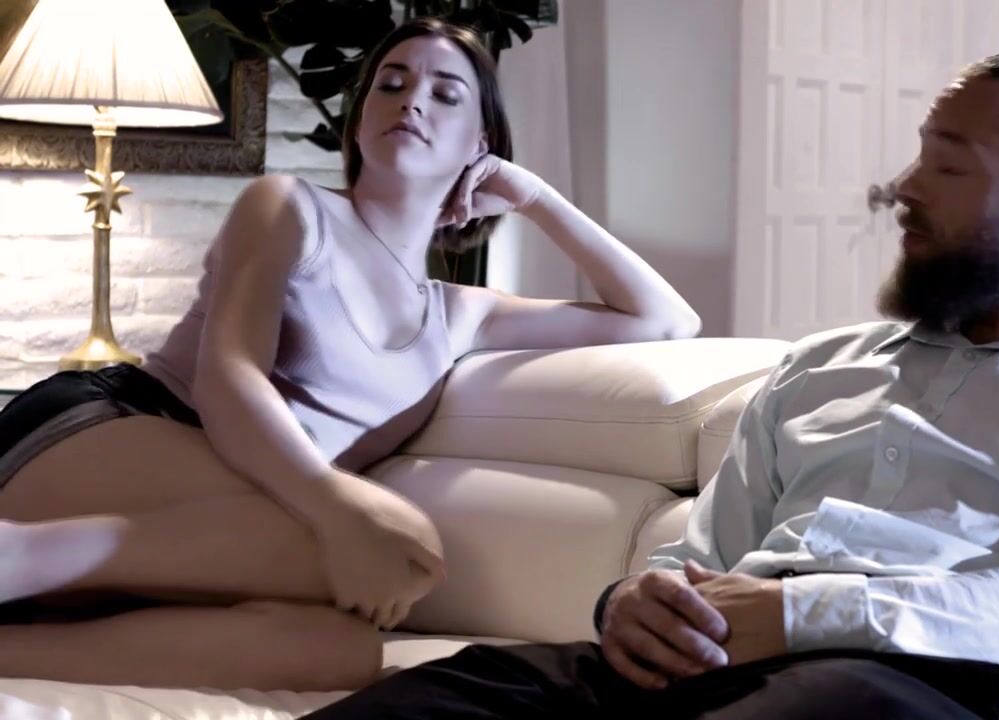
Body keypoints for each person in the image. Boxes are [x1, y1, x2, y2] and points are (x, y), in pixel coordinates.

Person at [298, 52, 999, 720]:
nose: (904, 186)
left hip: (912, 690)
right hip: (706, 667)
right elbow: (704, 559)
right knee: (437, 698)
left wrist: (805, 616)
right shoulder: (820, 365)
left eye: (946, 163)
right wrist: (634, 603)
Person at [0, 19, 700, 691]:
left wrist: (533, 194)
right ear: (360, 120)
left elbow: (666, 319)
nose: (412, 100)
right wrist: (337, 506)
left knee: (342, 652)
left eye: (445, 94)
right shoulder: (290, 208)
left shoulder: (460, 315)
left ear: (479, 143)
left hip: (221, 521)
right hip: (111, 433)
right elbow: (229, 379)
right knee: (390, 546)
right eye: (391, 84)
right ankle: (20, 553)